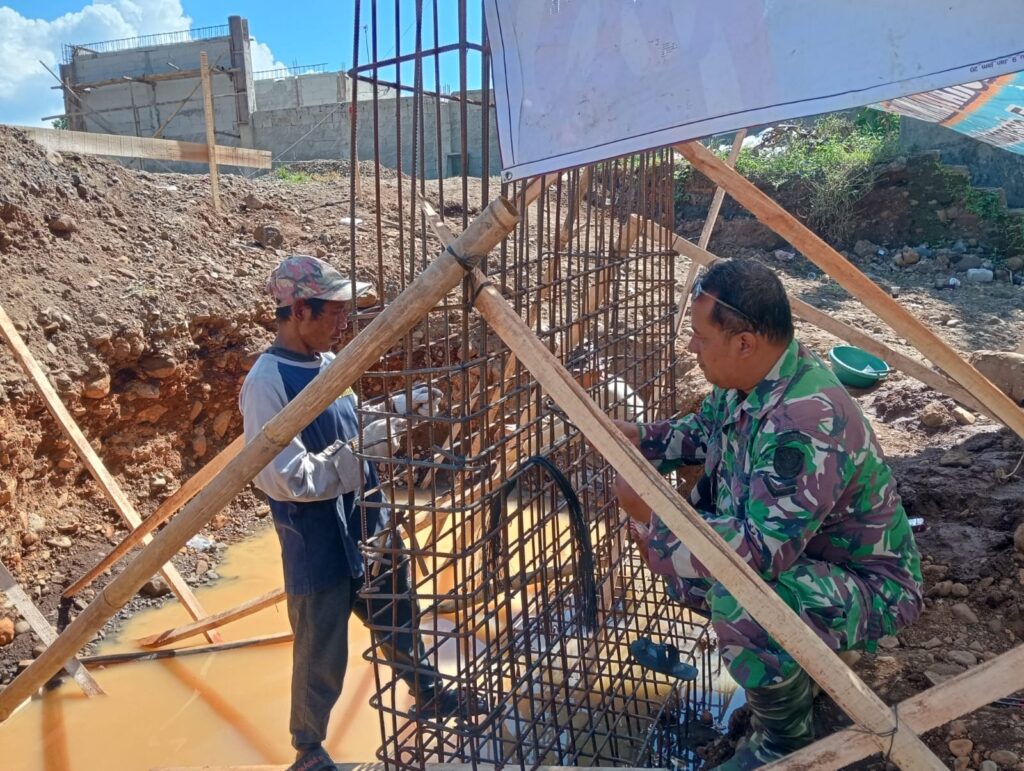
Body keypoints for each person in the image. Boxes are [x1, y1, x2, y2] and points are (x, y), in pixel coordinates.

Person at [613, 259, 923, 770]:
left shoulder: (804, 419)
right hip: (821, 564)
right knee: (696, 577)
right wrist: (638, 438)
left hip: (873, 586)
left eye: (698, 336)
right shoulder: (750, 383)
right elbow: (701, 432)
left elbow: (760, 556)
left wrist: (654, 522)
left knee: (742, 598)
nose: (691, 348)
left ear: (744, 343)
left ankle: (785, 741)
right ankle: (802, 662)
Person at [239, 255, 482, 771]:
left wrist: (397, 409)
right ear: (300, 310)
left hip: (370, 525)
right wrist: (364, 450)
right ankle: (308, 748)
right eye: (335, 312)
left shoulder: (329, 364)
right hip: (318, 541)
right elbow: (285, 477)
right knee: (320, 654)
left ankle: (431, 695)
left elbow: (351, 421)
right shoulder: (267, 381)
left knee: (401, 622)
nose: (345, 323)